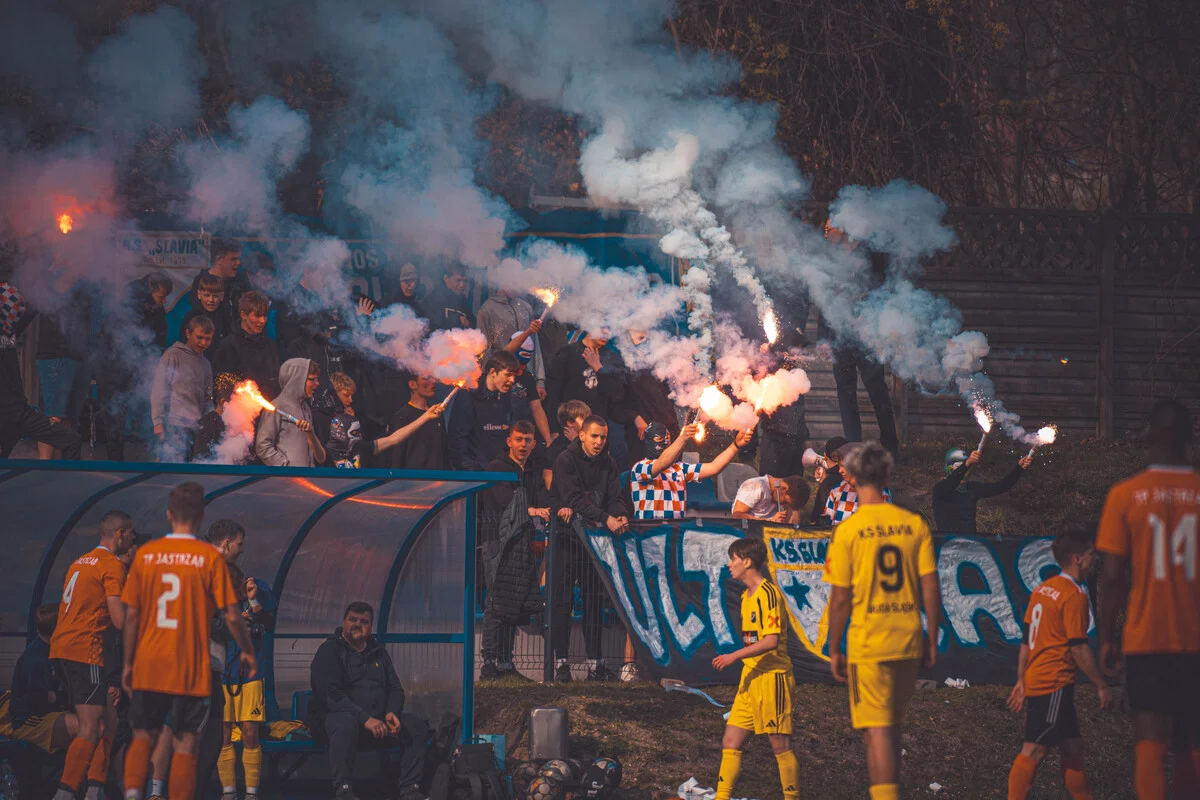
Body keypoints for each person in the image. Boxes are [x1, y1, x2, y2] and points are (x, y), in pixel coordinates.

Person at [120, 482, 255, 800]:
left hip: (152, 660)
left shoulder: (147, 554)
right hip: (192, 663)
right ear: (201, 516)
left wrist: (128, 663)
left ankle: (139, 792)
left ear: (169, 515)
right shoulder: (208, 559)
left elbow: (131, 616)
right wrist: (247, 650)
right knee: (187, 740)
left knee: (146, 733)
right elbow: (231, 616)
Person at [822, 442, 941, 800]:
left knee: (876, 731)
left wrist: (834, 647)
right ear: (888, 476)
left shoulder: (848, 530)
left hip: (868, 642)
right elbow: (930, 586)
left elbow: (840, 599)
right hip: (907, 637)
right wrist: (931, 638)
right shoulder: (912, 524)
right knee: (892, 727)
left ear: (853, 478)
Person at [1096, 400, 1200, 800]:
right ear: (1189, 437)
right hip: (1195, 640)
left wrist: (1107, 638)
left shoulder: (1126, 495)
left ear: (1148, 434)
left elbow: (1112, 577)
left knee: (1149, 740)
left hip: (1146, 639)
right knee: (1192, 741)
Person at [1005, 529, 1112, 800]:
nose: (1094, 559)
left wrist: (1020, 679)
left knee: (1073, 749)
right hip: (1053, 682)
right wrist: (1101, 684)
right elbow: (1078, 647)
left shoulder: (1042, 589)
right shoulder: (1074, 595)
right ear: (1077, 559)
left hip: (1042, 679)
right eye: (1090, 554)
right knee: (1033, 751)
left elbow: (1026, 640)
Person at [49, 510, 135, 800]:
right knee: (90, 726)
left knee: (110, 721)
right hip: (85, 649)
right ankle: (66, 791)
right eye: (131, 534)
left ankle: (95, 788)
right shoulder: (112, 564)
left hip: (63, 646)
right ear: (120, 534)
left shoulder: (79, 562)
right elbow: (119, 620)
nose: (132, 540)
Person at [308, 602, 429, 800]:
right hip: (333, 720)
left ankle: (410, 789)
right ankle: (344, 790)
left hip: (376, 722)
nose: (358, 624)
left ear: (371, 626)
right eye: (353, 619)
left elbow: (395, 689)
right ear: (343, 622)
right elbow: (331, 695)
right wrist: (364, 718)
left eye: (364, 621)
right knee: (345, 722)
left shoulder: (378, 652)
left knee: (415, 726)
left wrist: (391, 712)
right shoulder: (330, 650)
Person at [710, 538, 800, 800]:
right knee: (730, 742)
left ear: (747, 561)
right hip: (749, 680)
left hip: (772, 680)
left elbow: (771, 641)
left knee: (779, 745)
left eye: (733, 559)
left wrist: (733, 656)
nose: (728, 564)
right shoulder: (744, 596)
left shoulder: (768, 593)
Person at [551, 415, 629, 681]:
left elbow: (615, 497)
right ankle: (560, 663)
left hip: (594, 540)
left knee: (594, 600)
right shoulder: (565, 459)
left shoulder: (609, 462)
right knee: (561, 601)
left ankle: (595, 663)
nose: (599, 442)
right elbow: (571, 499)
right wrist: (605, 517)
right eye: (594, 436)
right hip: (566, 537)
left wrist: (619, 514)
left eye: (603, 437)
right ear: (581, 435)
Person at [206, 521, 277, 800]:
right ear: (226, 544)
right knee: (222, 732)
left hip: (249, 672)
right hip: (222, 670)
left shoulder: (256, 587)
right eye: (239, 544)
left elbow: (269, 622)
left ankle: (250, 794)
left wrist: (253, 604)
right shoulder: (210, 588)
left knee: (250, 732)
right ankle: (228, 792)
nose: (242, 550)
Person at [479, 421, 553, 679]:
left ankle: (505, 663)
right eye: (519, 439)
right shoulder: (497, 467)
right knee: (496, 601)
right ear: (509, 440)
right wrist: (533, 510)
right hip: (496, 543)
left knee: (513, 601)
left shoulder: (532, 472)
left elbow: (543, 498)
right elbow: (505, 504)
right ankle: (490, 663)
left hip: (522, 544)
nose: (523, 445)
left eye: (528, 440)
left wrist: (544, 509)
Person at [821, 222, 900, 458]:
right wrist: (823, 338)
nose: (824, 234)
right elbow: (824, 298)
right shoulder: (829, 259)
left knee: (878, 391)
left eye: (829, 229)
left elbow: (886, 288)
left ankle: (891, 446)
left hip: (868, 336)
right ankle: (853, 448)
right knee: (846, 395)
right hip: (840, 338)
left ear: (843, 229)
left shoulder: (872, 254)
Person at [0, 281, 82, 459]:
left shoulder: (9, 331)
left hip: (22, 412)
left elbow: (33, 306)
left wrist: (52, 276)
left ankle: (69, 484)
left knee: (71, 440)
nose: (15, 312)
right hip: (3, 417)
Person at [632, 422, 753, 520]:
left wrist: (735, 445)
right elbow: (661, 464)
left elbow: (714, 467)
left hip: (674, 532)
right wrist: (683, 438)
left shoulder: (679, 468)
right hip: (649, 534)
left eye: (668, 438)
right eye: (659, 439)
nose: (665, 442)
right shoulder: (640, 467)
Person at [0, 604, 78, 755]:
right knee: (81, 727)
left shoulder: (55, 649)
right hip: (29, 720)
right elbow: (41, 699)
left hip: (49, 711)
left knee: (95, 725)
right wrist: (61, 696)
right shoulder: (36, 659)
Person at [326, 371, 446, 468]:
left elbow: (394, 439)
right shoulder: (329, 453)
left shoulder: (362, 449)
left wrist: (426, 416)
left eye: (357, 430)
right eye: (352, 431)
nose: (356, 435)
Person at [150, 315, 215, 463]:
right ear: (188, 334)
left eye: (208, 339)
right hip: (174, 427)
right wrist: (158, 423)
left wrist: (209, 425)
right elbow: (159, 390)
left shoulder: (206, 364)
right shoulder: (173, 355)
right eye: (199, 337)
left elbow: (207, 399)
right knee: (173, 473)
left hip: (196, 429)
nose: (203, 343)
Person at [447, 351, 520, 471]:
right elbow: (457, 438)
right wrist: (470, 471)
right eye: (508, 375)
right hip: (476, 475)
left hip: (500, 471)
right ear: (492, 372)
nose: (512, 380)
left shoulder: (506, 396)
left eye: (514, 376)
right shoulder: (468, 395)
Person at [932, 448, 1032, 533]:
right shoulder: (940, 488)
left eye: (967, 467)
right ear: (949, 467)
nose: (965, 471)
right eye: (959, 467)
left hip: (970, 546)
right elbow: (952, 482)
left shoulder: (971, 488)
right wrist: (967, 463)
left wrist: (1019, 469)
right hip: (948, 547)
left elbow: (1000, 486)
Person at [545, 331, 622, 432]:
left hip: (599, 429)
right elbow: (553, 394)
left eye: (610, 328)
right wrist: (553, 430)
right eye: (602, 327)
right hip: (570, 427)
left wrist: (598, 369)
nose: (606, 333)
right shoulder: (567, 352)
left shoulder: (613, 358)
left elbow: (617, 395)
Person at [256, 358, 327, 467]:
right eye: (312, 379)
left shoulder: (306, 409)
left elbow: (320, 458)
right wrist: (285, 468)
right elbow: (263, 446)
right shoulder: (276, 406)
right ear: (297, 380)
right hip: (287, 482)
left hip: (308, 479)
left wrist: (311, 433)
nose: (317, 383)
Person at [211, 291, 281, 401]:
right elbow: (223, 387)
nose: (262, 321)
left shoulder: (271, 345)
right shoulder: (228, 346)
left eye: (264, 316)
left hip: (269, 410)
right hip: (240, 411)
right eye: (257, 315)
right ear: (243, 315)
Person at [479, 289, 546, 391]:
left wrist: (540, 380)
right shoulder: (487, 309)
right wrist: (486, 379)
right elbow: (484, 349)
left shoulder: (525, 307)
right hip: (502, 375)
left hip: (526, 374)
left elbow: (534, 344)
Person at [388, 373, 450, 470]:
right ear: (412, 385)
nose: (433, 381)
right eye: (426, 378)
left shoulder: (436, 413)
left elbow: (444, 451)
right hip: (412, 480)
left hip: (438, 478)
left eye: (433, 378)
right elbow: (396, 456)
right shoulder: (402, 416)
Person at [189, 240, 248, 341]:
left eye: (238, 258)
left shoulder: (240, 281)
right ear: (219, 259)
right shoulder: (200, 281)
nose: (238, 263)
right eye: (233, 259)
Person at [504, 330, 553, 446]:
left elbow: (537, 411)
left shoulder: (527, 378)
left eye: (524, 365)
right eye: (518, 365)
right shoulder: (497, 374)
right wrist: (529, 331)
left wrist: (548, 440)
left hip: (521, 434)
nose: (521, 370)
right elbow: (504, 354)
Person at [542, 400, 591, 491]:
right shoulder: (557, 446)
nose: (589, 423)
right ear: (570, 422)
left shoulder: (589, 442)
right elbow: (548, 476)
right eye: (585, 419)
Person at [731, 475, 810, 525]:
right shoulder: (756, 486)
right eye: (785, 501)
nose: (783, 505)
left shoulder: (780, 493)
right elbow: (737, 515)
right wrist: (769, 521)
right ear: (783, 489)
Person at [180, 272, 228, 351]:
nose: (211, 300)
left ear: (221, 296)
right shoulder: (191, 317)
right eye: (207, 295)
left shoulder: (226, 316)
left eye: (215, 296)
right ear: (199, 294)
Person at [808, 437, 849, 525]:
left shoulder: (829, 483)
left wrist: (824, 485)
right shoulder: (858, 477)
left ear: (825, 455)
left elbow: (815, 519)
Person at [424, 263, 474, 331]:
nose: (462, 285)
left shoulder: (463, 300)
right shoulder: (434, 298)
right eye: (458, 280)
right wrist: (457, 321)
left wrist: (468, 323)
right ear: (446, 278)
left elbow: (473, 323)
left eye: (465, 281)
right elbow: (430, 325)